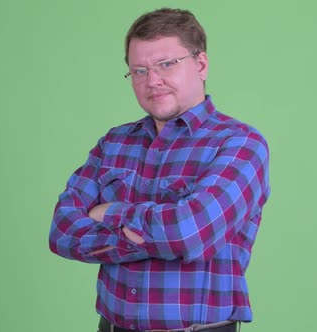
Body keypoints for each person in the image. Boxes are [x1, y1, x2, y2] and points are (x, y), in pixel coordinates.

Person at [49, 7, 270, 332]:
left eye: (166, 64)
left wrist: (108, 212)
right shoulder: (114, 142)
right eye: (139, 70)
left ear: (201, 64)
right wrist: (149, 232)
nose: (152, 80)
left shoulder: (240, 144)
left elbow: (188, 233)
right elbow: (62, 232)